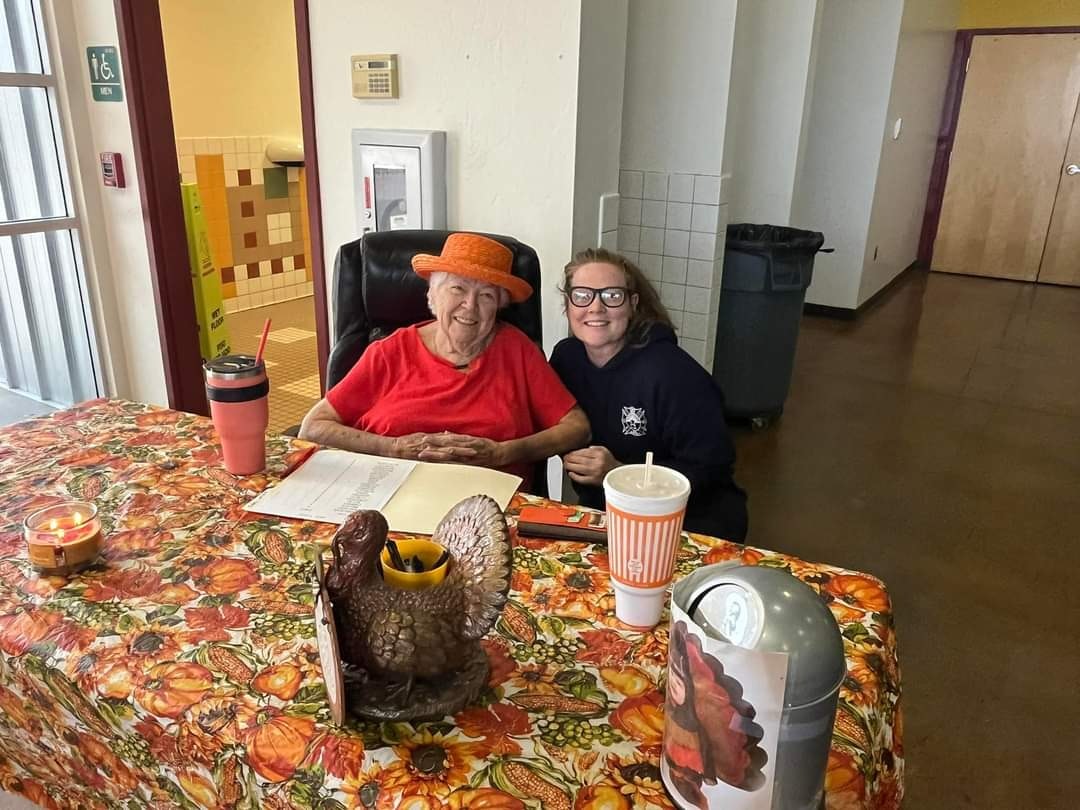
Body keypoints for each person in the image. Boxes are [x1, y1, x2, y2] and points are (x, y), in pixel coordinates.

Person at [300, 233, 590, 487]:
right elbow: (314, 427)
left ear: (499, 306)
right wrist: (395, 448)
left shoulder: (517, 350)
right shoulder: (390, 352)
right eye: (457, 289)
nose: (470, 306)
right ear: (432, 295)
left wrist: (503, 453)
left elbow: (577, 427)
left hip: (490, 507)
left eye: (486, 295)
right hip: (393, 497)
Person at [549, 248, 748, 540]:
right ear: (568, 304)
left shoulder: (673, 373)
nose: (595, 307)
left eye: (612, 296)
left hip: (692, 521)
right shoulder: (565, 359)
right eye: (582, 295)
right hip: (607, 514)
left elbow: (713, 466)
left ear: (633, 304)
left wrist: (620, 473)